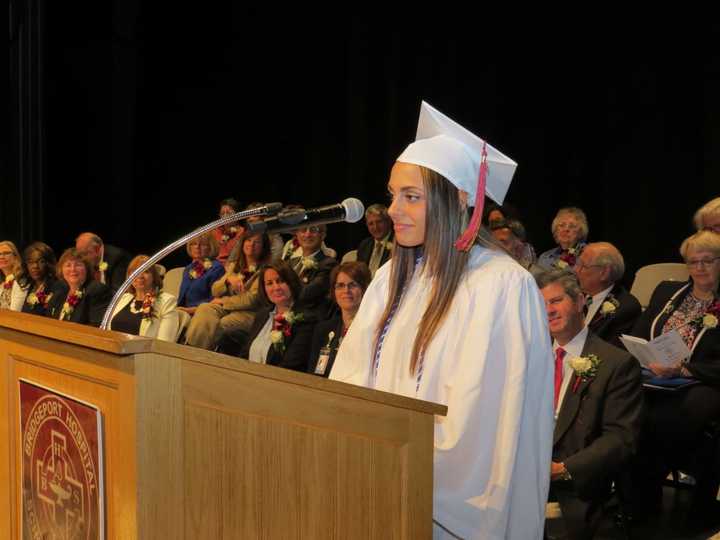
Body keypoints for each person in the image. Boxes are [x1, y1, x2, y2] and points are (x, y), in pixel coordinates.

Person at [329, 101, 554, 539]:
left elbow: (486, 424)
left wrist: (400, 466)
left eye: (411, 196)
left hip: (439, 509)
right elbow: (350, 380)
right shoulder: (391, 277)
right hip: (376, 490)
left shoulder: (502, 286)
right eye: (393, 193)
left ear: (459, 199)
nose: (392, 209)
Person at [536, 269, 643, 540]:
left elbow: (620, 438)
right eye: (541, 304)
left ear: (581, 300)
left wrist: (563, 470)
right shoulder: (528, 355)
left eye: (556, 301)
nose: (548, 310)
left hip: (575, 486)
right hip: (522, 479)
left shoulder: (616, 363)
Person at [629, 229, 720, 517]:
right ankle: (632, 488)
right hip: (654, 375)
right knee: (623, 405)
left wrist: (685, 368)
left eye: (708, 261)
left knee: (670, 416)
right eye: (693, 262)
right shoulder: (667, 291)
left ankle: (649, 487)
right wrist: (643, 354)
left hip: (703, 381)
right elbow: (641, 331)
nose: (699, 268)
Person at [185, 232, 272, 350]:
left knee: (224, 323)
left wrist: (223, 302)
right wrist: (227, 281)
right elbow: (215, 290)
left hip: (250, 313)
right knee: (205, 308)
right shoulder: (235, 265)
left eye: (257, 242)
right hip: (230, 309)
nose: (251, 245)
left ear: (263, 247)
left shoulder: (265, 270)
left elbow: (251, 300)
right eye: (248, 241)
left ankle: (206, 357)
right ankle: (191, 349)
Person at [234, 262, 317, 371]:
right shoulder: (262, 315)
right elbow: (245, 354)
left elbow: (291, 365)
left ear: (291, 283)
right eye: (269, 283)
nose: (276, 287)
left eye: (281, 281)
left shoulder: (304, 319)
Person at [308, 261, 371, 377]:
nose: (346, 291)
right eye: (340, 285)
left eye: (353, 285)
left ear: (365, 289)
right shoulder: (323, 329)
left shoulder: (372, 331)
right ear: (334, 291)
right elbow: (314, 373)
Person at [574, 242, 641, 348]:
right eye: (577, 264)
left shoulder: (625, 308)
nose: (576, 270)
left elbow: (608, 354)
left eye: (583, 266)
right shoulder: (574, 295)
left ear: (604, 273)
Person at [109, 255, 179, 341]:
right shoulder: (123, 298)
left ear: (154, 276)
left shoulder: (167, 302)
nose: (140, 276)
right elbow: (107, 331)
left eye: (146, 271)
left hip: (143, 354)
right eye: (135, 272)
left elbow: (164, 344)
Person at [46, 248, 112, 326]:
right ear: (61, 270)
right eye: (68, 265)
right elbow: (48, 320)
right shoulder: (59, 290)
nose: (72, 269)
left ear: (87, 268)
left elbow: (96, 327)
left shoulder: (96, 290)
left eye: (78, 265)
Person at [177, 232, 225, 315]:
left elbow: (215, 300)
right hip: (183, 312)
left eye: (203, 244)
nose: (197, 247)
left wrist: (191, 310)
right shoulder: (189, 268)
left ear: (211, 247)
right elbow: (182, 298)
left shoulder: (216, 268)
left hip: (202, 313)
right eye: (194, 244)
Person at [20, 242, 58, 316]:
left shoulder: (57, 287)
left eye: (41, 262)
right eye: (30, 262)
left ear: (49, 263)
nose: (35, 266)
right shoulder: (30, 286)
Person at [356, 204, 394, 276]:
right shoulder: (364, 245)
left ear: (389, 221)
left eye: (379, 222)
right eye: (371, 224)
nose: (375, 227)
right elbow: (359, 273)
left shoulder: (398, 243)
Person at [211, 198, 245, 264]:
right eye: (222, 213)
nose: (226, 216)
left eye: (229, 213)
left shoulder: (242, 232)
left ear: (237, 214)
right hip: (215, 266)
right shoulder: (215, 231)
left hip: (233, 265)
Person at [0, 240, 29, 311]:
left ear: (15, 257)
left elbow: (15, 311)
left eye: (6, 253)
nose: (1, 257)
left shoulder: (21, 280)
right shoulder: (2, 283)